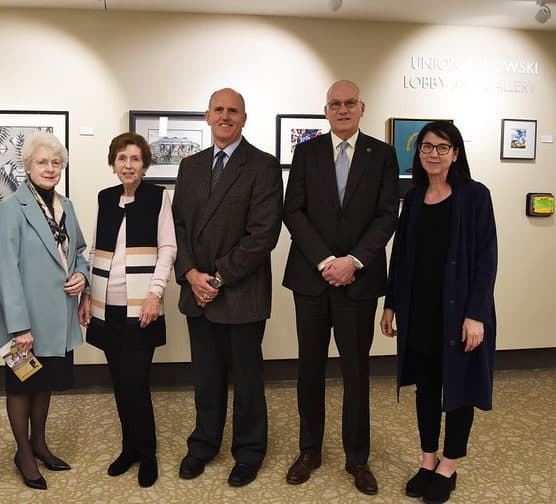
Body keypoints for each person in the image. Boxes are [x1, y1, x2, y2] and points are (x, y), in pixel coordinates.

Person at [282, 80, 399, 495]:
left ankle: (357, 458)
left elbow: (387, 215)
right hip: (311, 280)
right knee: (309, 371)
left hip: (359, 282)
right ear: (326, 110)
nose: (343, 109)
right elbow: (292, 211)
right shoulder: (307, 152)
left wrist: (354, 261)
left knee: (356, 373)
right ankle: (309, 451)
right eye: (335, 104)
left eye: (350, 103)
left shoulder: (382, 155)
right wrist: (326, 261)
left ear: (362, 108)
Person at [171, 88, 283, 487]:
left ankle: (249, 451)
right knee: (206, 376)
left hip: (240, 293)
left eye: (233, 111)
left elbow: (263, 234)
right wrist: (190, 274)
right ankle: (203, 445)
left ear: (244, 118)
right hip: (197, 292)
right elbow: (178, 226)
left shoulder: (263, 166)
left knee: (247, 381)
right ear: (207, 116)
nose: (225, 116)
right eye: (218, 109)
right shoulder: (191, 166)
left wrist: (217, 277)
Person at [381, 121, 497, 504]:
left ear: (456, 154)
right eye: (427, 146)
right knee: (427, 387)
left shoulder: (475, 196)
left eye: (442, 147)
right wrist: (391, 304)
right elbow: (400, 258)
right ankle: (427, 459)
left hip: (460, 314)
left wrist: (476, 314)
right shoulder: (413, 198)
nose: (433, 153)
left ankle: (450, 465)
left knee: (459, 389)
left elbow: (486, 259)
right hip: (420, 311)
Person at [78, 132, 177, 488]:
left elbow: (167, 247)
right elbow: (94, 253)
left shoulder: (157, 197)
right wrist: (86, 295)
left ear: (145, 164)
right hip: (107, 307)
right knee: (120, 383)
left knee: (136, 383)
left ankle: (148, 454)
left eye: (135, 159)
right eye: (122, 158)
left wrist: (155, 293)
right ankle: (129, 449)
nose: (128, 165)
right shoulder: (105, 198)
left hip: (142, 306)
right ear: (113, 163)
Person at [0, 132, 89, 491]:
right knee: (21, 388)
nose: (50, 168)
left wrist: (81, 274)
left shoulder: (67, 205)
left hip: (58, 319)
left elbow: (79, 249)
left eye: (56, 163)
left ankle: (40, 443)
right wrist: (19, 327)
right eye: (42, 162)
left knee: (43, 383)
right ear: (27, 166)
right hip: (26, 322)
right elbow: (5, 269)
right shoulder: (8, 209)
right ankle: (23, 452)